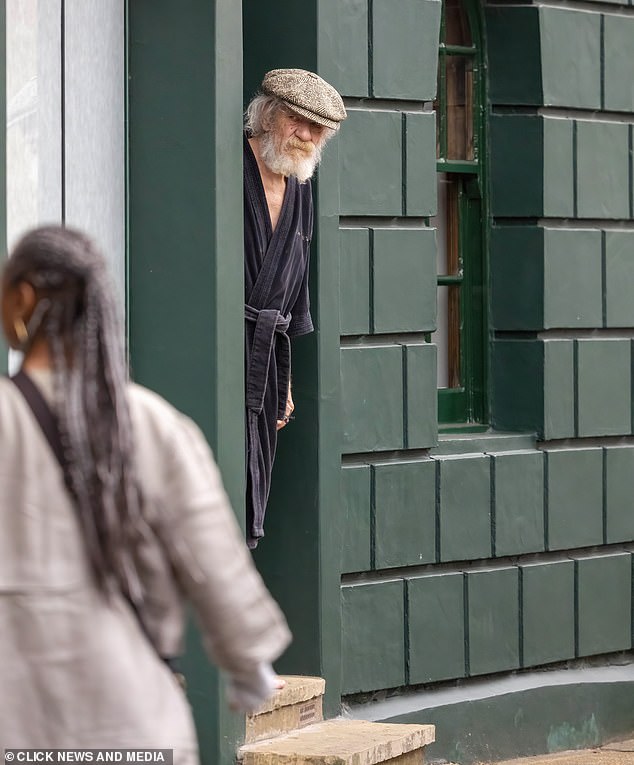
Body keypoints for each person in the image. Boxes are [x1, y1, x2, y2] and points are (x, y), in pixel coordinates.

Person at [0, 225, 291, 760]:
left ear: (21, 298)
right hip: (134, 725)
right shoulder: (152, 424)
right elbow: (215, 562)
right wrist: (250, 664)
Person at [244, 68, 346, 548]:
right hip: (224, 347)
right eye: (296, 120)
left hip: (266, 358)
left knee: (255, 480)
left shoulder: (301, 186)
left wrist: (283, 381)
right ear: (268, 115)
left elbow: (296, 284)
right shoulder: (230, 165)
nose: (306, 135)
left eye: (317, 128)